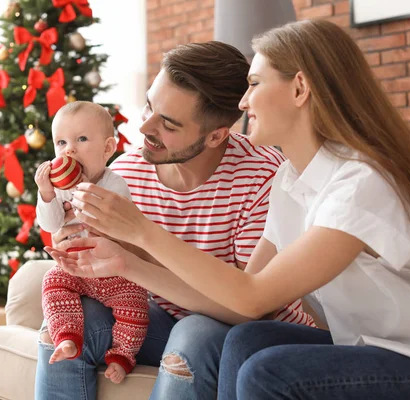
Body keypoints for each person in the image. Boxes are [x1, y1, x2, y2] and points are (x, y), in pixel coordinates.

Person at [52, 19, 410, 400]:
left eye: (255, 84)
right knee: (249, 338)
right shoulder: (293, 180)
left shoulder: (361, 184)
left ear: (299, 88)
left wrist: (141, 232)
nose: (243, 103)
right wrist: (126, 261)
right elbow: (245, 303)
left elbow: (254, 296)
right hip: (374, 346)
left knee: (267, 371)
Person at [36, 41, 315, 400]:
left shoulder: (262, 179)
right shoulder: (123, 173)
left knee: (195, 332)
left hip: (237, 331)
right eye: (149, 107)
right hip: (155, 320)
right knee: (67, 323)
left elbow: (248, 307)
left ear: (216, 135)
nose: (144, 130)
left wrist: (135, 249)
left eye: (166, 123)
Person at [35, 101, 149, 384]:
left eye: (81, 139)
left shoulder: (115, 185)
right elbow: (50, 225)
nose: (69, 150)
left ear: (108, 149)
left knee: (134, 306)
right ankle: (67, 337)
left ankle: (123, 355)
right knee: (52, 282)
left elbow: (113, 224)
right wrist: (47, 194)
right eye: (61, 142)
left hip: (115, 273)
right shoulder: (59, 189)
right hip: (77, 269)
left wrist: (83, 188)